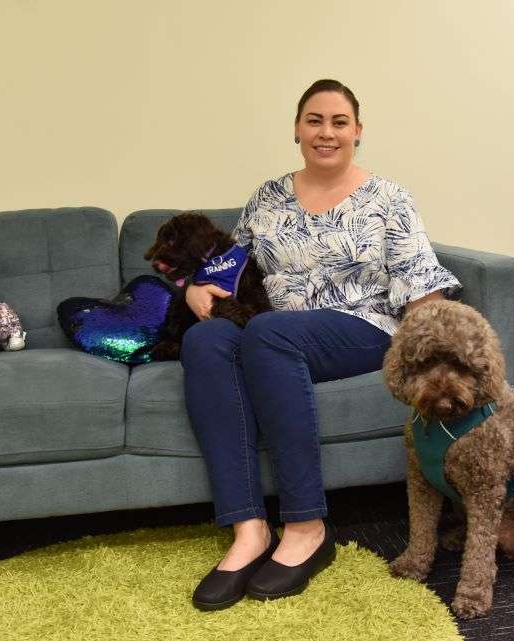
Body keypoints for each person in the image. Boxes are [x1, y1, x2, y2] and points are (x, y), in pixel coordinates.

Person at [182, 79, 462, 610]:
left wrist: (436, 353)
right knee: (207, 340)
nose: (326, 132)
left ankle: (307, 527)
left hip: (363, 326)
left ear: (357, 131)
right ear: (296, 129)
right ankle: (248, 530)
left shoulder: (389, 199)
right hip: (279, 334)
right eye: (315, 120)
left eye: (339, 122)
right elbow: (232, 265)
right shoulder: (266, 197)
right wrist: (197, 285)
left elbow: (420, 287)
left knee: (267, 332)